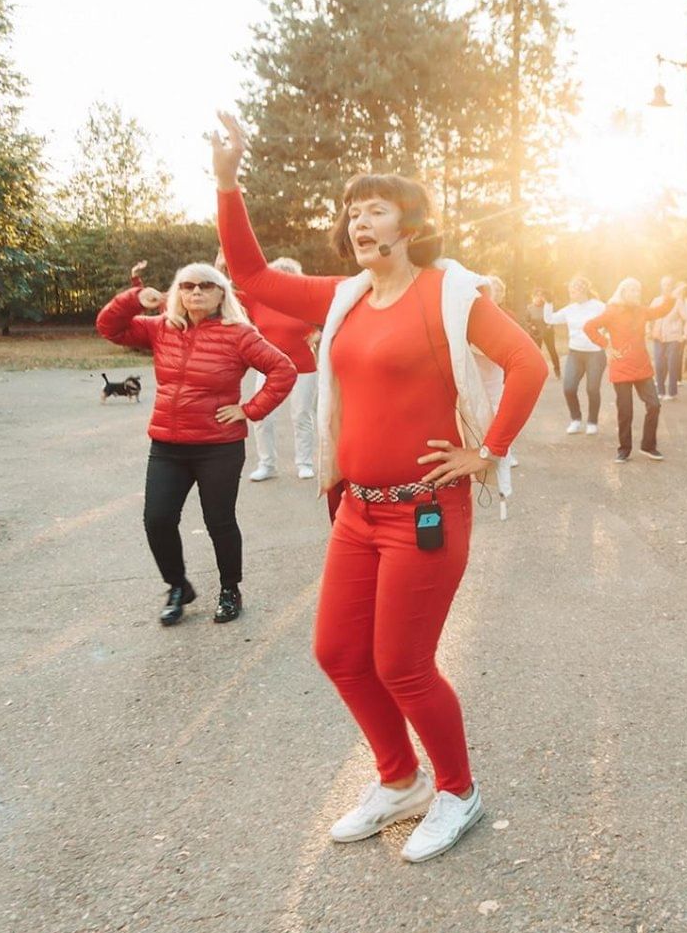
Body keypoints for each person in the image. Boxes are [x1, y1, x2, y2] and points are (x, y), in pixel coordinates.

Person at [213, 112, 545, 864]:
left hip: (426, 513)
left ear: (410, 222)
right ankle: (400, 779)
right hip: (357, 510)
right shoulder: (344, 298)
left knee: (403, 663)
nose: (358, 219)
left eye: (375, 208)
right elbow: (255, 279)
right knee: (338, 652)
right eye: (351, 210)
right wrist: (228, 182)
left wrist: (486, 452)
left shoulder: (450, 296)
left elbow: (529, 363)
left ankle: (458, 790)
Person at [98, 260, 295, 625]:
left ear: (221, 293)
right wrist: (135, 298)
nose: (196, 292)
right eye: (188, 286)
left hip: (217, 446)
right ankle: (177, 586)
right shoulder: (161, 328)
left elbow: (284, 370)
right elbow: (109, 327)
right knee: (157, 519)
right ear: (178, 293)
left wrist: (250, 410)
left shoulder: (239, 334)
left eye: (206, 285)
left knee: (219, 521)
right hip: (168, 445)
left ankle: (230, 589)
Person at [238, 256, 320, 482]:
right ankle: (267, 464)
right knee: (262, 415)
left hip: (303, 368)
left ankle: (304, 463)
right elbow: (225, 292)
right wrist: (221, 267)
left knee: (301, 415)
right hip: (268, 368)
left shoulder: (307, 303)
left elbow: (328, 316)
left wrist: (318, 332)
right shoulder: (257, 301)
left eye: (287, 278)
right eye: (277, 277)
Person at [583, 278, 676, 463]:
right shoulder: (612, 311)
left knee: (654, 405)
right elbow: (589, 327)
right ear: (623, 292)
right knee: (625, 411)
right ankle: (624, 449)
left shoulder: (641, 310)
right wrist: (606, 345)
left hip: (642, 366)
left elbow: (660, 311)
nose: (636, 293)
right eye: (632, 290)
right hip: (621, 367)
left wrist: (670, 296)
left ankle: (648, 446)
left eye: (638, 290)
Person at [542, 277, 608, 436]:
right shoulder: (569, 309)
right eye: (570, 290)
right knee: (569, 388)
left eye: (573, 290)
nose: (571, 293)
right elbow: (549, 319)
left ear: (583, 290)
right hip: (575, 353)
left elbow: (610, 322)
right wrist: (549, 303)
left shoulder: (599, 306)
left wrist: (606, 338)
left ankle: (592, 422)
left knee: (592, 389)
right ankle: (576, 419)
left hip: (595, 354)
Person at [652, 275, 687, 401]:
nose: (666, 287)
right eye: (664, 284)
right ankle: (660, 391)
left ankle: (672, 393)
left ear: (671, 287)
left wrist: (685, 335)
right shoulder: (656, 301)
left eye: (669, 285)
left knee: (672, 364)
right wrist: (648, 329)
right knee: (658, 363)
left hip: (674, 338)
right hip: (658, 337)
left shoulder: (678, 302)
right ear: (661, 286)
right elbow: (649, 316)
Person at [524, 291, 561, 379]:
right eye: (537, 296)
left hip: (548, 333)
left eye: (541, 296)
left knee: (552, 351)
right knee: (536, 353)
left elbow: (552, 318)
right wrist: (531, 326)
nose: (539, 298)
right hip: (536, 333)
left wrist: (549, 325)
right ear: (533, 297)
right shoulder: (529, 308)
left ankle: (557, 370)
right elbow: (527, 320)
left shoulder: (547, 307)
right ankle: (536, 372)